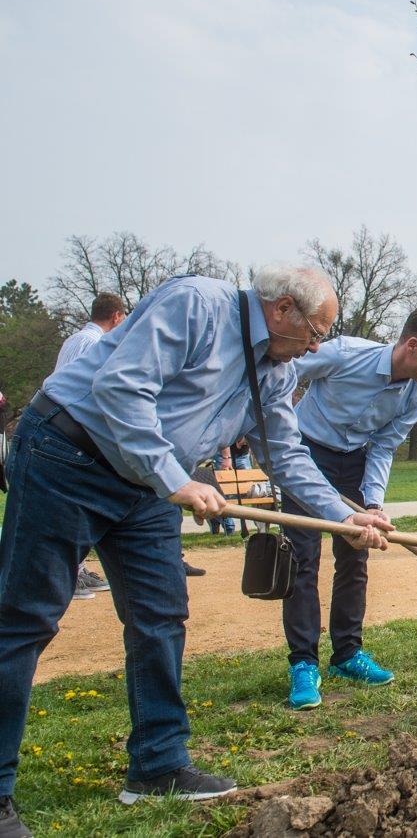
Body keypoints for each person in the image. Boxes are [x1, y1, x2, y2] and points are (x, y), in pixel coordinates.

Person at [0, 265, 393, 833]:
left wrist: (343, 515)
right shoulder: (196, 306)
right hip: (70, 456)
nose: (316, 346)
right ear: (282, 308)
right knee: (26, 618)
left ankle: (157, 765)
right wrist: (176, 481)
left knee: (161, 615)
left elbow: (286, 453)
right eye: (315, 332)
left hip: (146, 486)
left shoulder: (276, 372)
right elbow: (121, 388)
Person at [281, 306, 417, 711]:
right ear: (413, 346)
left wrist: (374, 503)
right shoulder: (345, 353)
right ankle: (303, 664)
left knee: (355, 557)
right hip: (304, 453)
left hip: (354, 462)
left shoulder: (415, 395)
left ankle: (347, 654)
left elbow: (383, 447)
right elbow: (284, 372)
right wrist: (281, 423)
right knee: (302, 560)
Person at [54, 293, 130, 596]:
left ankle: (78, 570)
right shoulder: (96, 343)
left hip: (60, 426)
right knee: (76, 509)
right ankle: (70, 576)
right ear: (116, 316)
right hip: (76, 432)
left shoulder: (74, 340)